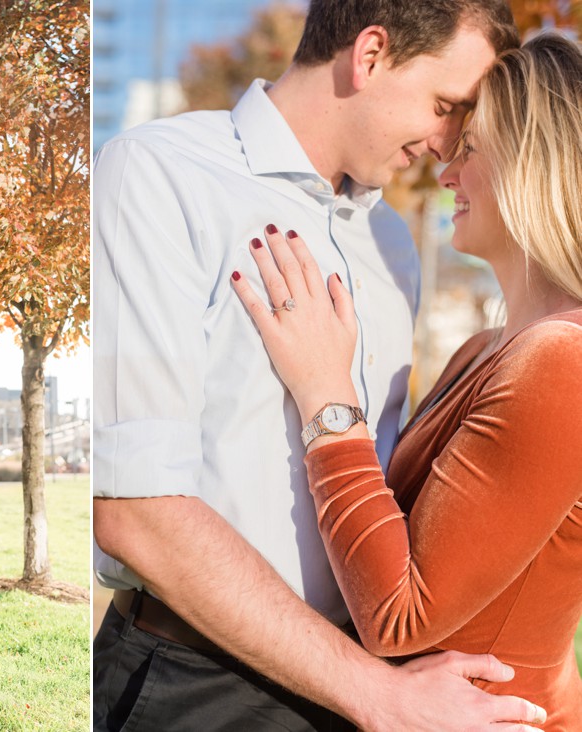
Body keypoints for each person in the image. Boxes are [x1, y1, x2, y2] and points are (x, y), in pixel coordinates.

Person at [93, 1, 544, 730]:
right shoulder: (159, 174)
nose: (446, 143)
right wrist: (379, 695)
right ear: (369, 55)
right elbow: (135, 511)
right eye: (444, 105)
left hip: (358, 687)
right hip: (195, 688)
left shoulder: (394, 244)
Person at [230, 32, 582, 731]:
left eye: (473, 148)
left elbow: (401, 614)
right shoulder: (486, 350)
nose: (447, 172)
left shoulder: (561, 364)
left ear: (533, 166)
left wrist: (327, 396)